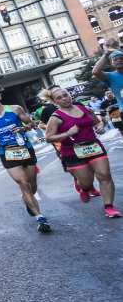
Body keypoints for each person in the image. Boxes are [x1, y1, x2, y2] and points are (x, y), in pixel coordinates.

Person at [0, 90, 52, 232]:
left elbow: (31, 123)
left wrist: (24, 128)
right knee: (23, 184)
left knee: (32, 185)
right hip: (6, 152)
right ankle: (40, 217)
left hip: (25, 148)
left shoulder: (15, 109)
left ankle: (28, 201)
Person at [43, 87, 121, 218]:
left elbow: (98, 123)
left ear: (69, 95)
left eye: (65, 95)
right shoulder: (55, 117)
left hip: (93, 145)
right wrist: (67, 133)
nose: (64, 99)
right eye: (59, 98)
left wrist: (99, 128)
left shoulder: (85, 109)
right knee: (86, 181)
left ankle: (109, 207)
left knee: (104, 175)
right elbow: (48, 137)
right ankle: (84, 188)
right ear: (54, 102)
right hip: (72, 150)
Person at [94, 39, 123, 114]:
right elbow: (95, 72)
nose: (119, 60)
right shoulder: (110, 76)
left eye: (121, 58)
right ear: (111, 63)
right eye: (115, 59)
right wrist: (106, 53)